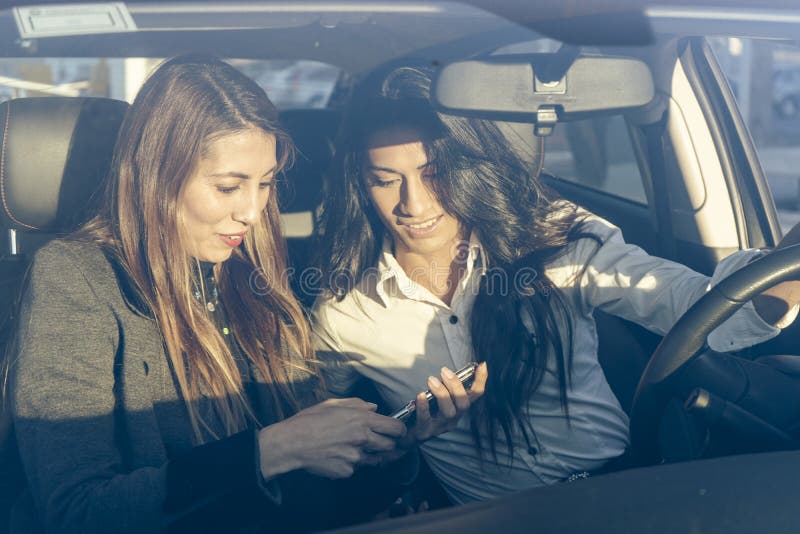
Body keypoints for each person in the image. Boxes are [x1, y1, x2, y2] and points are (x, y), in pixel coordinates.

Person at [311, 64, 800, 505]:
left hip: (624, 491)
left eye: (434, 173)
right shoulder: (345, 310)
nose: (412, 205)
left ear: (469, 166)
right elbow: (330, 447)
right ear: (361, 185)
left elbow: (707, 312)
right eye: (384, 180)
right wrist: (407, 441)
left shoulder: (555, 238)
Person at [4, 55, 434, 534]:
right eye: (229, 187)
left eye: (266, 184)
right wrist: (273, 450)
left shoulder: (252, 277)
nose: (252, 212)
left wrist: (382, 456)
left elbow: (313, 501)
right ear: (157, 176)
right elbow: (76, 513)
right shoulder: (76, 277)